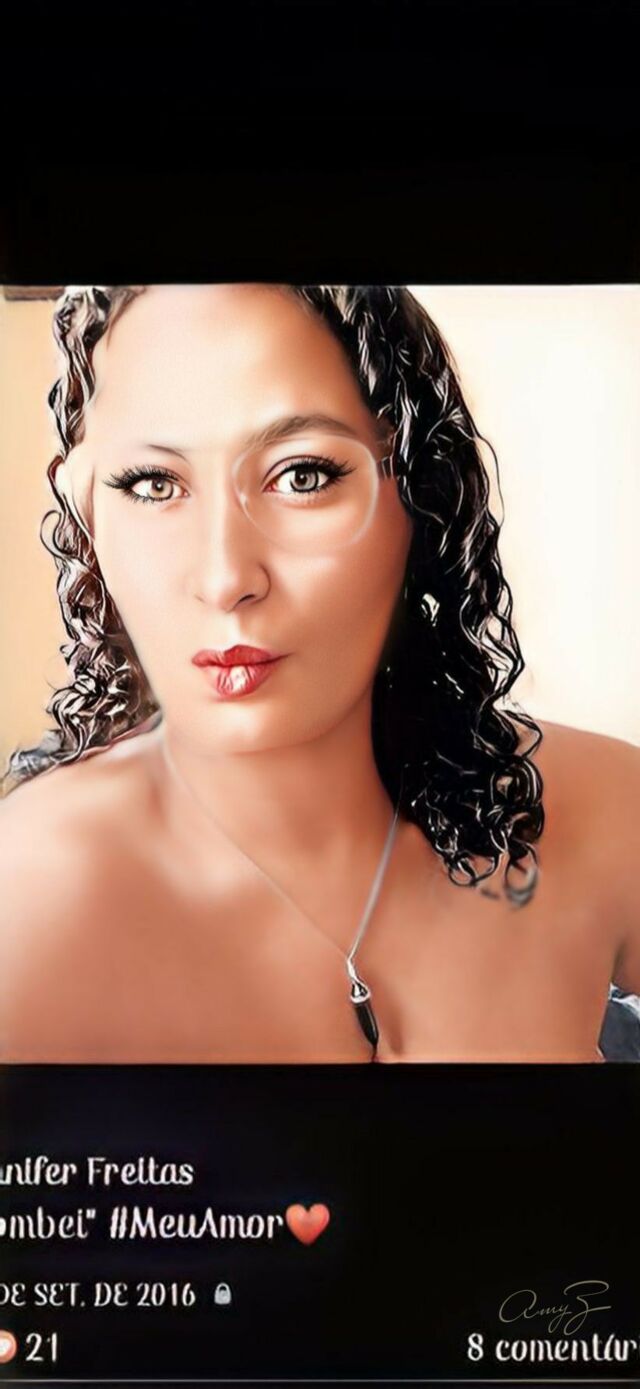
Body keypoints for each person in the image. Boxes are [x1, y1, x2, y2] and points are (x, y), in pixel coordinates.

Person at [0, 283, 638, 1064]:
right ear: (86, 509)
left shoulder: (600, 811)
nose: (225, 577)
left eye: (301, 474)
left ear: (420, 493)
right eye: (154, 483)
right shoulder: (32, 900)